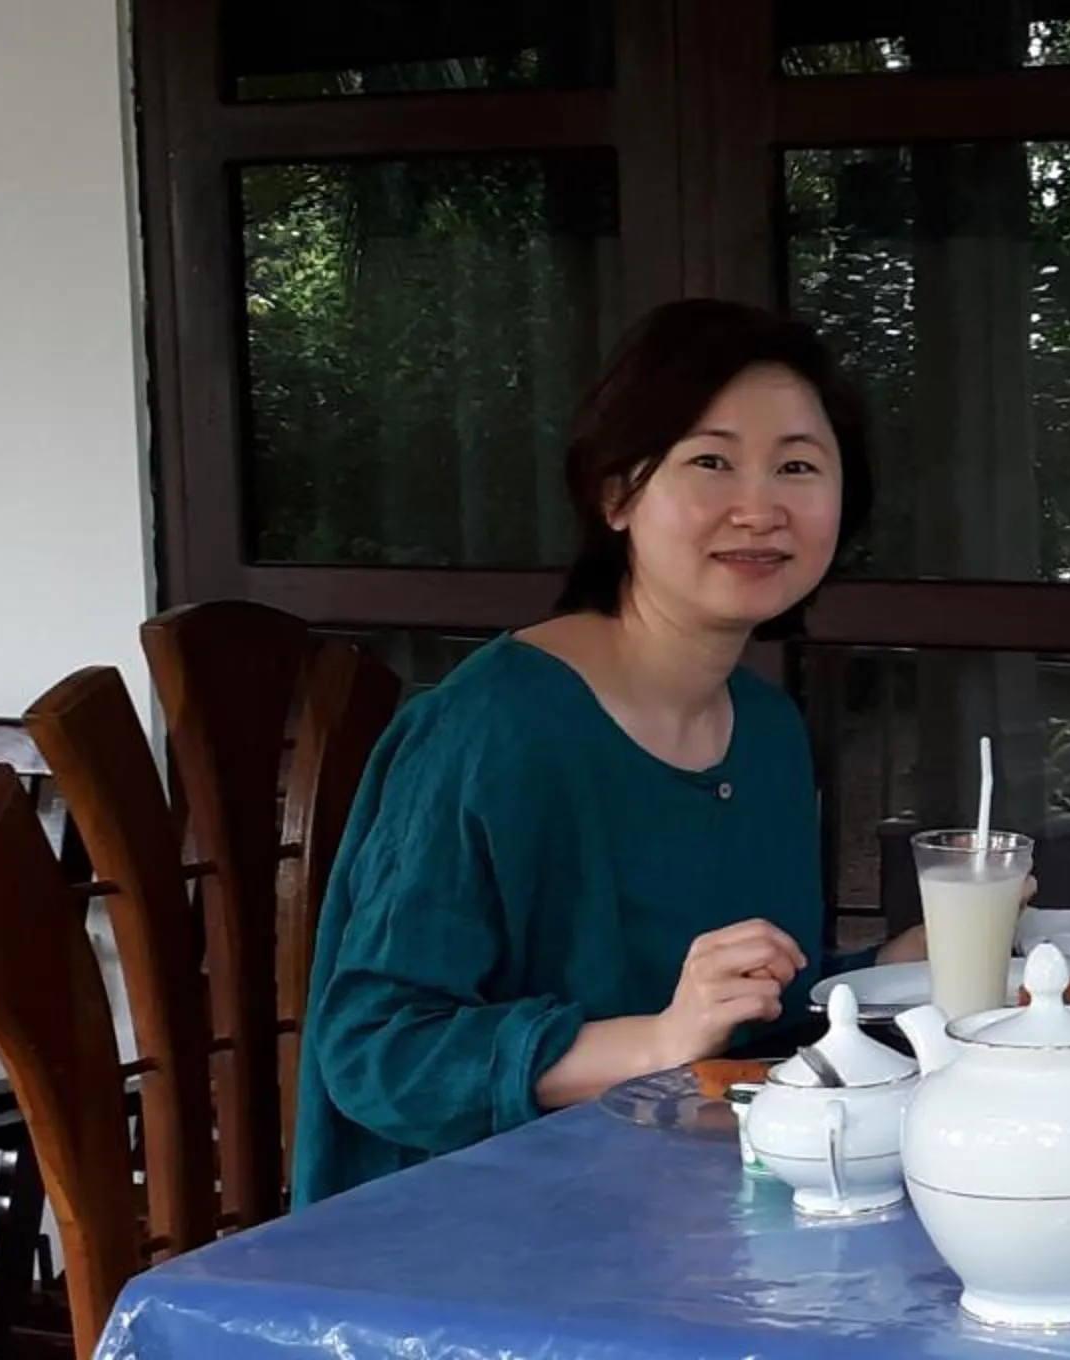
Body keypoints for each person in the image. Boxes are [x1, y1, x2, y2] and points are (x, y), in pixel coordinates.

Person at [291, 299, 927, 1206]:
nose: (761, 507)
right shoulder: (493, 728)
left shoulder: (768, 728)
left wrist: (895, 966)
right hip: (481, 1251)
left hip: (703, 1212)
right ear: (618, 493)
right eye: (711, 461)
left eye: (798, 466)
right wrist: (660, 1039)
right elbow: (378, 1052)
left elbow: (750, 1014)